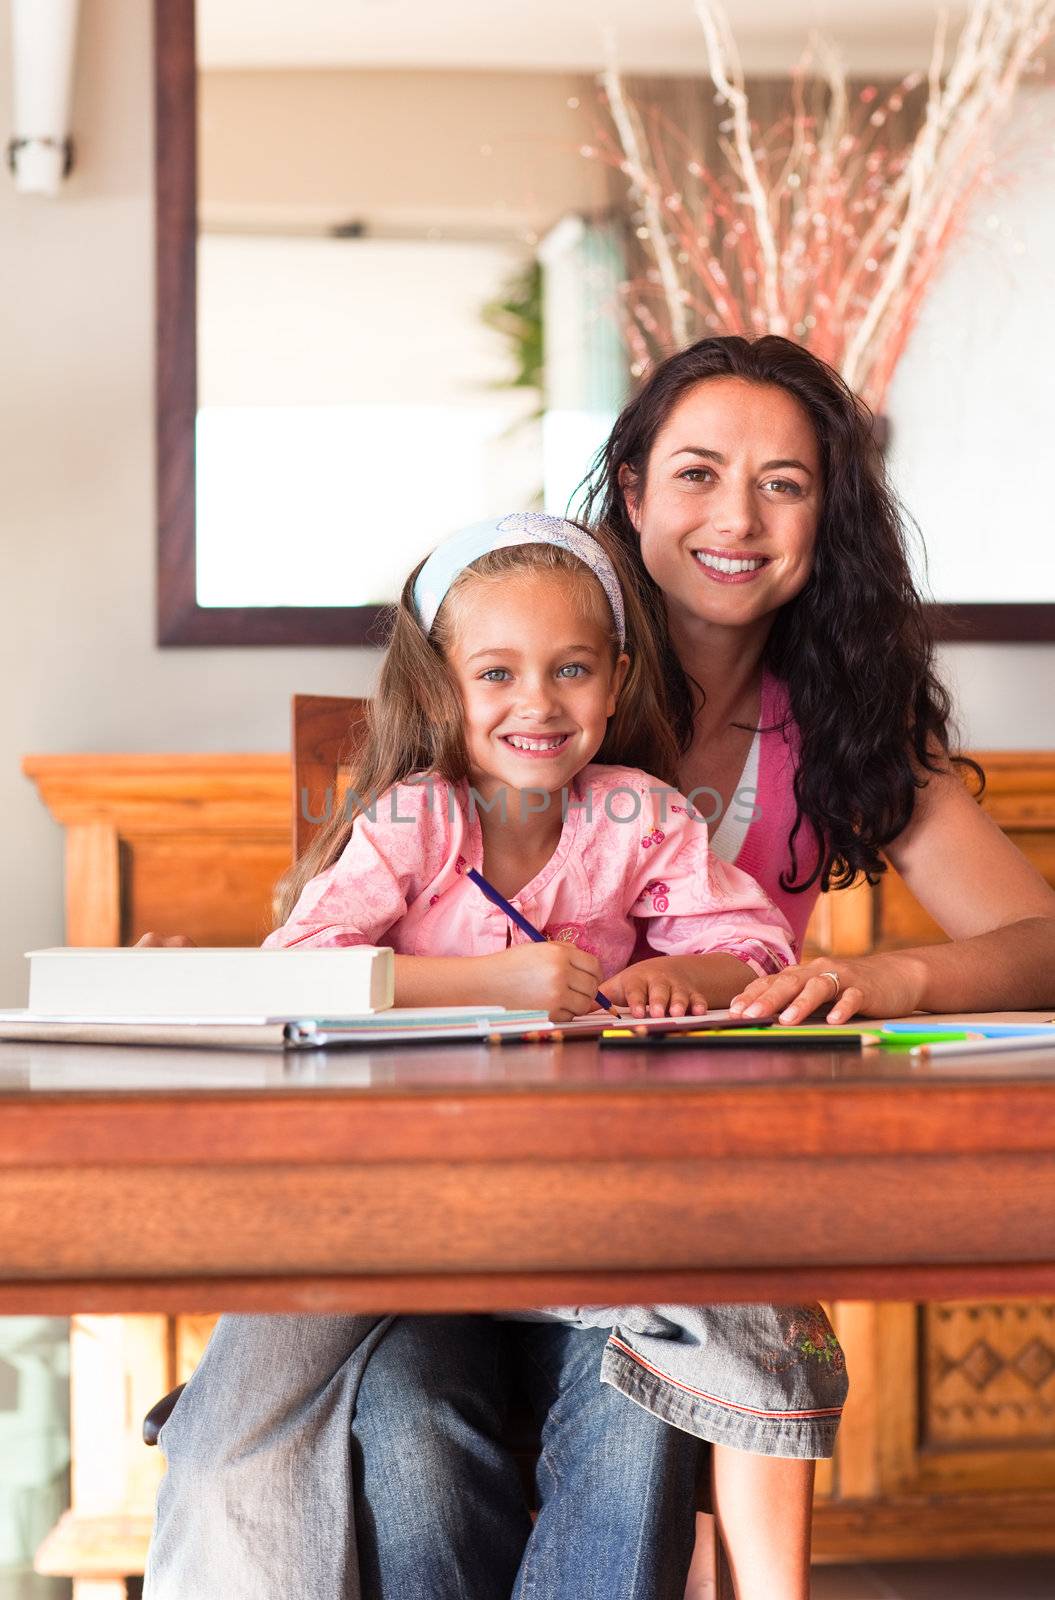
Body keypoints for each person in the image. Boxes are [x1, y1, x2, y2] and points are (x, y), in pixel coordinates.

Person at [144, 510, 847, 1600]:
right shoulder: (413, 822)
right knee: (329, 1419)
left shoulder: (634, 812)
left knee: (736, 1297)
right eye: (497, 672)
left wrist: (676, 979)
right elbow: (300, 966)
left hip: (581, 1203)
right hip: (402, 1208)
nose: (537, 703)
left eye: (569, 669)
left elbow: (746, 946)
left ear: (614, 680)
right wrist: (493, 980)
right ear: (444, 685)